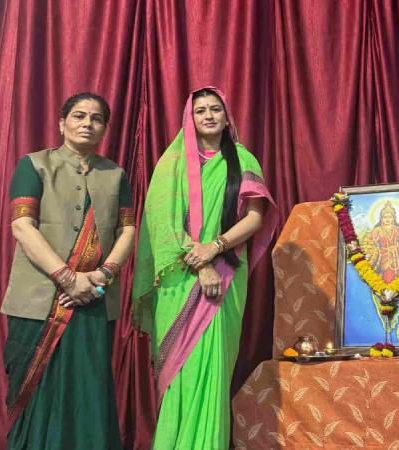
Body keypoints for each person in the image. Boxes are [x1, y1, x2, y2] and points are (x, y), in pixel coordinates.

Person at [132, 86, 278, 449]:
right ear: (190, 118)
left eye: (215, 109)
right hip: (179, 276)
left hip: (225, 275)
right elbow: (162, 225)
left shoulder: (242, 159)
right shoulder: (173, 164)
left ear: (227, 117)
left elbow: (255, 217)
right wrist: (199, 264)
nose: (209, 115)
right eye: (201, 111)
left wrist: (215, 248)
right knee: (181, 372)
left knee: (212, 370)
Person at [2, 92, 135, 449]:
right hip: (37, 301)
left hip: (94, 299)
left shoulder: (116, 175)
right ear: (62, 123)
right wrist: (67, 278)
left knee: (87, 391)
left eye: (96, 118)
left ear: (104, 128)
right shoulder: (34, 165)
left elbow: (127, 231)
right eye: (79, 116)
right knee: (34, 392)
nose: (87, 123)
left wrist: (103, 276)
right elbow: (22, 227)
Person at [363, 202, 399, 283]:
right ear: (381, 218)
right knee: (388, 275)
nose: (388, 219)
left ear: (393, 218)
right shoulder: (377, 230)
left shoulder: (397, 229)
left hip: (398, 254)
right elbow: (368, 242)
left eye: (390, 217)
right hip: (383, 255)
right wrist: (373, 249)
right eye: (385, 217)